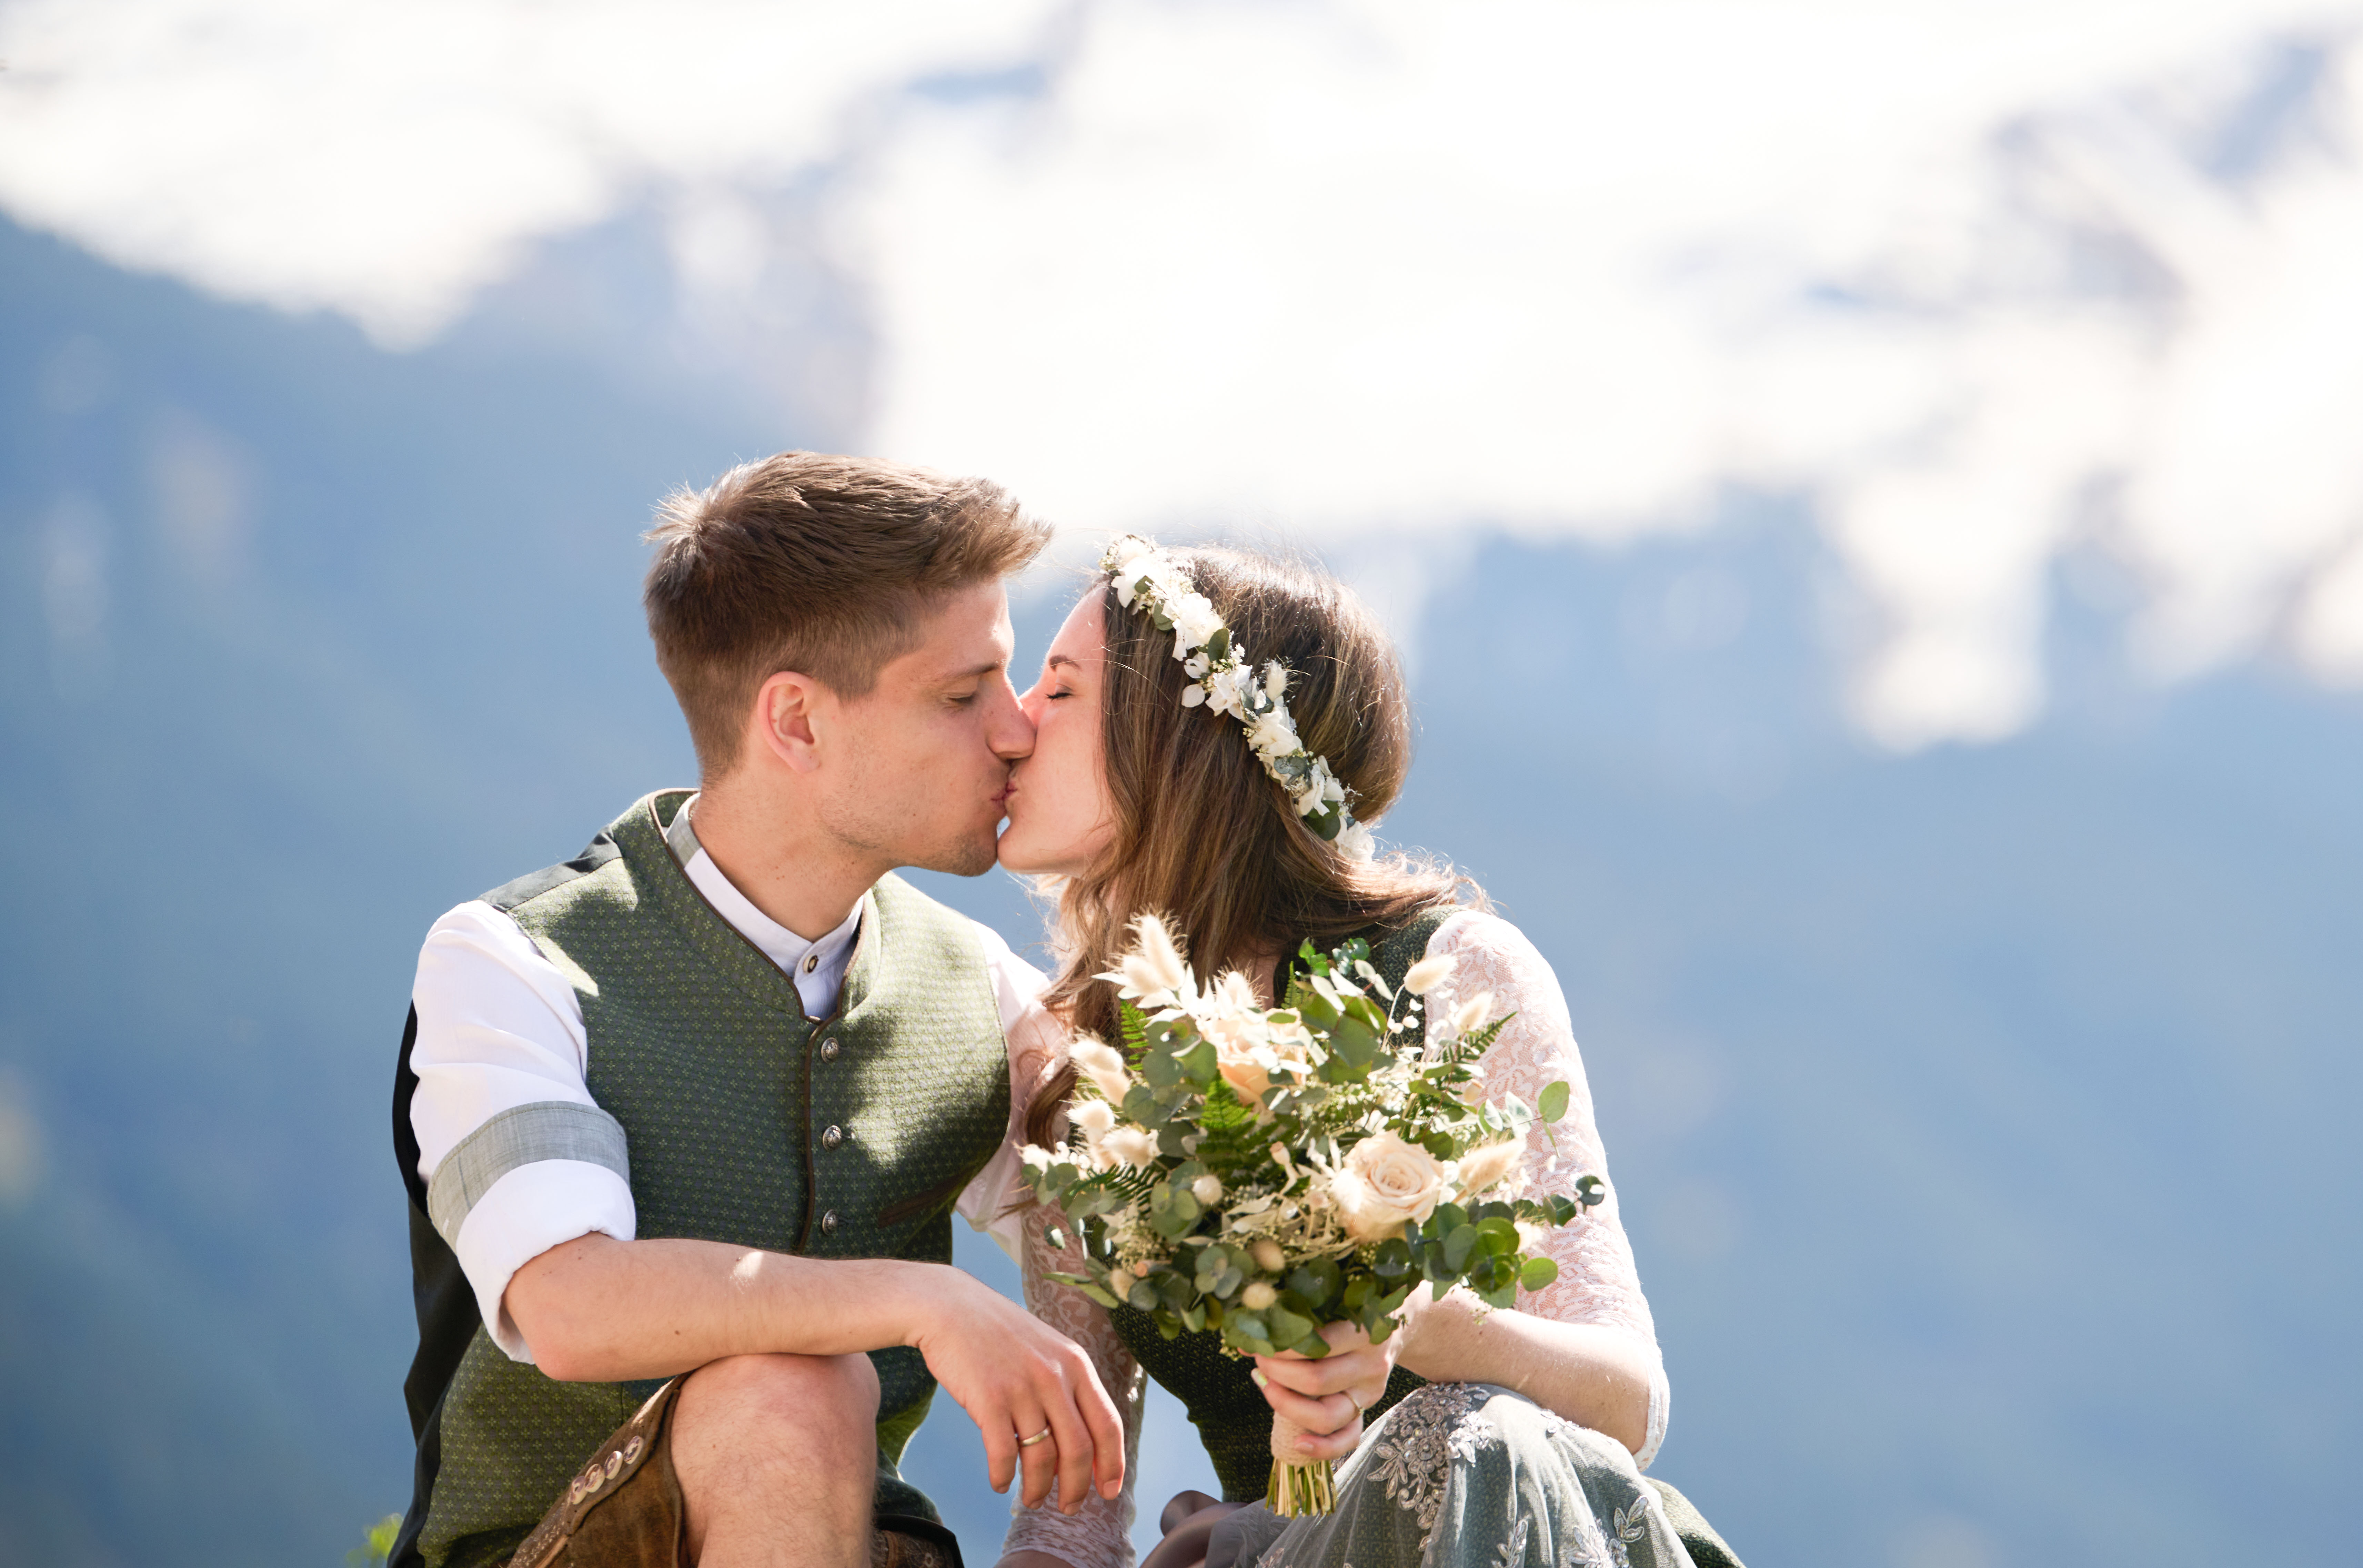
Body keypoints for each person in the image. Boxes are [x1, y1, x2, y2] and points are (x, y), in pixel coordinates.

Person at [391, 454, 1130, 1568]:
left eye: (1013, 682)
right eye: (962, 693)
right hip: (550, 1550)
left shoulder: (971, 984)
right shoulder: (511, 959)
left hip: (862, 1546)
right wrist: (922, 1302)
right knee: (794, 1393)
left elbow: (1151, 1236)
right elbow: (569, 1302)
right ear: (796, 722)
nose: (1018, 731)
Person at [984, 541, 1743, 1568]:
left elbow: (1632, 1399)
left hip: (1519, 1531)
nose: (1016, 723)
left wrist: (1429, 1326)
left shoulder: (1454, 975)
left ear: (1176, 736)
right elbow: (1069, 1513)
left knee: (1465, 1436)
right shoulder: (1082, 1057)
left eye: (1061, 690)